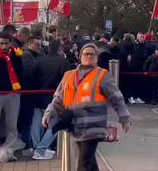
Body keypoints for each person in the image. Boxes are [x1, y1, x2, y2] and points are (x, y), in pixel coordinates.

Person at [43, 43, 130, 171]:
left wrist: (124, 118)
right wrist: (48, 113)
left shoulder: (102, 75)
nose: (88, 56)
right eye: (86, 54)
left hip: (93, 128)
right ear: (80, 56)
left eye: (92, 54)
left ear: (97, 58)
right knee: (89, 162)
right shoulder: (69, 75)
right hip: (75, 125)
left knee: (84, 163)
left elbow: (117, 98)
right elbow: (58, 99)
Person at [31, 39, 70, 160]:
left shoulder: (38, 60)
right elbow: (66, 81)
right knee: (53, 126)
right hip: (54, 98)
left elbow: (33, 77)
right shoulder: (64, 62)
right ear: (59, 48)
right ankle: (41, 149)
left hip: (37, 96)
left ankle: (37, 148)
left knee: (36, 125)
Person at [0, 33, 24, 162]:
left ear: (10, 43)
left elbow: (21, 72)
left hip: (13, 94)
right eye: (1, 43)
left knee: (12, 125)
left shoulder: (16, 55)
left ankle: (7, 151)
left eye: (6, 43)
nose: (4, 46)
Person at [18, 37, 43, 153]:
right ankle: (27, 144)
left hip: (26, 93)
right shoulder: (28, 56)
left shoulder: (29, 55)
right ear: (30, 44)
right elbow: (28, 75)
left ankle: (26, 143)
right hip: (28, 93)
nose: (39, 47)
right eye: (37, 45)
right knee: (27, 118)